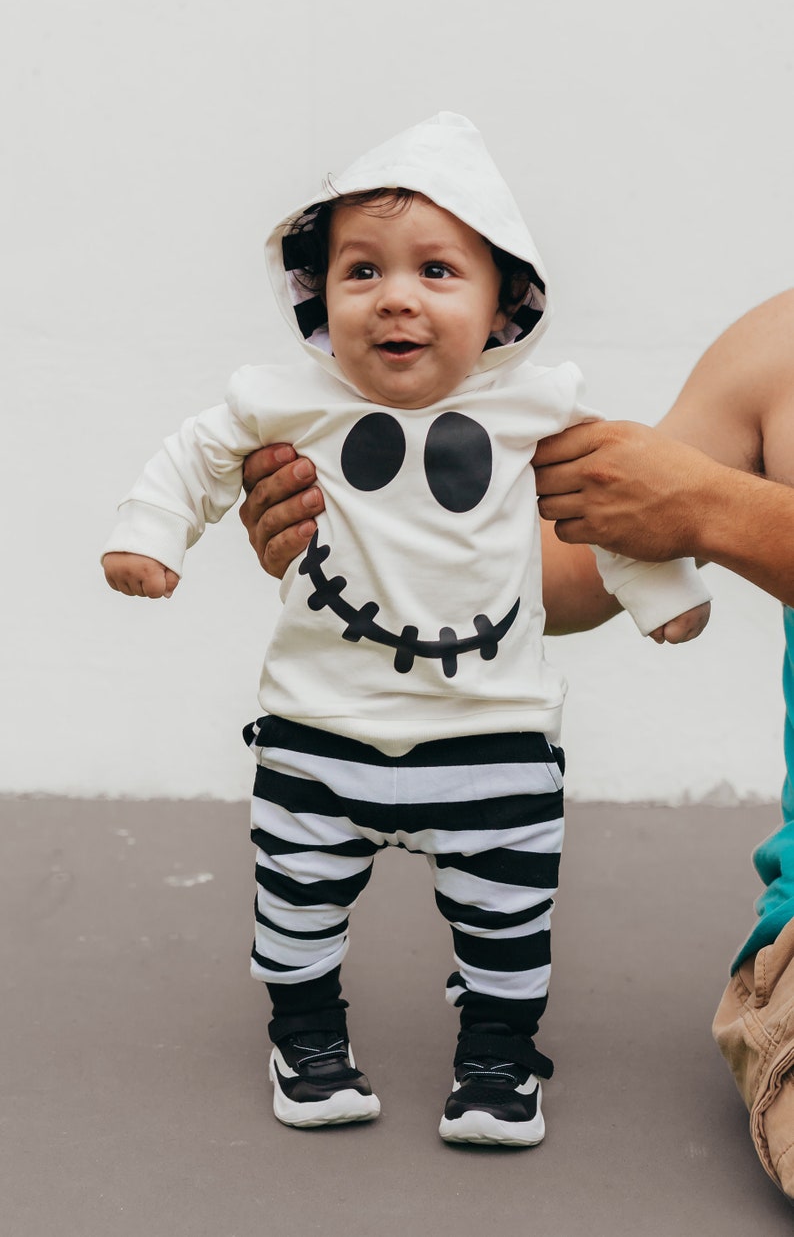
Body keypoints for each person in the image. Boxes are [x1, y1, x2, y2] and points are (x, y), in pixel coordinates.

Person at [102, 112, 710, 1148]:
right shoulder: (284, 398)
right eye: (360, 271)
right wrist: (153, 532)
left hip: (494, 732)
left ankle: (496, 1055)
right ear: (317, 297)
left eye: (436, 270)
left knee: (506, 919)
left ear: (501, 304)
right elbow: (196, 455)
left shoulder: (532, 409)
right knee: (295, 905)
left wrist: (660, 591)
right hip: (315, 727)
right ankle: (305, 1035)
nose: (394, 296)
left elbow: (601, 499)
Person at [239, 288, 794, 1190]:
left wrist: (717, 509)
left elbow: (691, 506)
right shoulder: (778, 347)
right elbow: (574, 566)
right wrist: (355, 532)